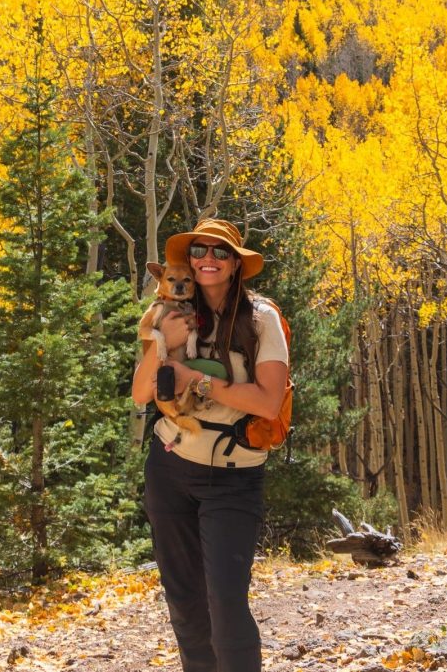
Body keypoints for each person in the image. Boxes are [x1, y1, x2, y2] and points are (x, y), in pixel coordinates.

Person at [132, 218, 288, 672]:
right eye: (199, 250)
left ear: (237, 264)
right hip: (170, 469)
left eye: (220, 253)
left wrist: (197, 380)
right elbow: (142, 394)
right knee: (184, 603)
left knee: (226, 607)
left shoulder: (262, 319)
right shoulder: (173, 310)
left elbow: (268, 401)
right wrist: (164, 342)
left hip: (233, 478)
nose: (207, 260)